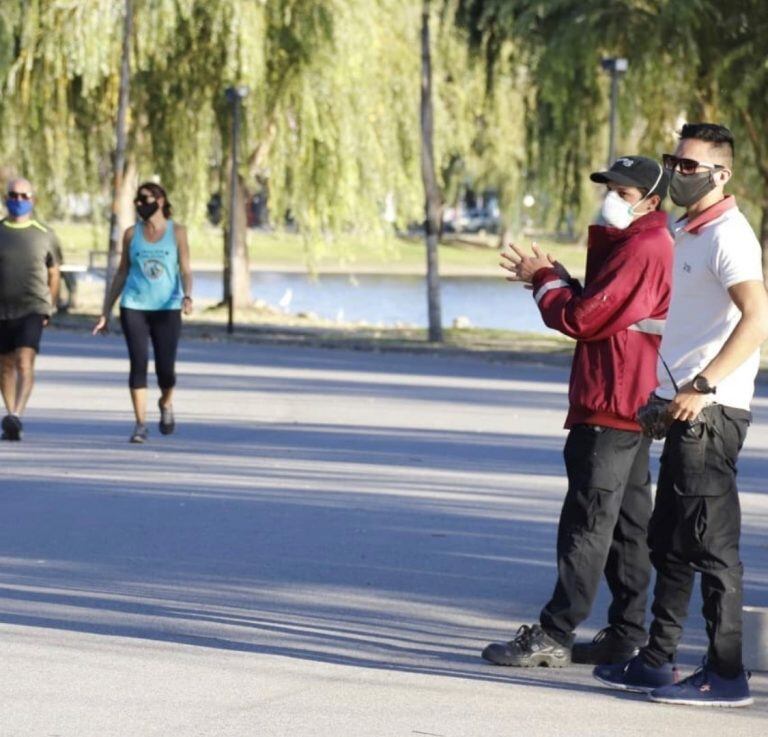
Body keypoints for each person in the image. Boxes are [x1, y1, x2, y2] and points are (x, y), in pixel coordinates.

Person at [593, 124, 768, 707]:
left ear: (722, 174)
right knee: (669, 540)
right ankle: (657, 661)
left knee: (712, 547)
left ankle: (726, 675)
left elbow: (756, 322)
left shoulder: (730, 237)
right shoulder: (684, 231)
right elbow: (684, 323)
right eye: (674, 162)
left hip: (712, 413)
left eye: (689, 166)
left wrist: (702, 385)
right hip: (678, 408)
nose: (677, 173)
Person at [482, 156, 673, 667]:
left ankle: (554, 633)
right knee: (628, 524)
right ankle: (627, 633)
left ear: (652, 201)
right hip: (629, 400)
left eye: (624, 192)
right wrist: (564, 280)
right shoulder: (640, 243)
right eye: (609, 187)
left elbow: (584, 319)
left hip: (611, 402)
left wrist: (545, 280)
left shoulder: (644, 246)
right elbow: (610, 310)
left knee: (587, 523)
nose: (612, 197)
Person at [93, 182, 193, 443]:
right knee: (138, 364)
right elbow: (123, 271)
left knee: (166, 371)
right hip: (134, 306)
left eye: (144, 199)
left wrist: (188, 295)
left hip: (167, 308)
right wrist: (106, 310)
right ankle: (140, 424)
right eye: (136, 200)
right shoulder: (131, 234)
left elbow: (185, 269)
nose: (139, 204)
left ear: (160, 200)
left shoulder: (177, 232)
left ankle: (166, 402)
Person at [0, 177, 61, 441]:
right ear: (5, 198)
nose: (18, 201)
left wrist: (51, 304)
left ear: (33, 200)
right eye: (14, 195)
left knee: (25, 362)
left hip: (33, 307)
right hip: (2, 309)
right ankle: (10, 412)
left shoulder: (44, 233)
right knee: (4, 366)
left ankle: (18, 415)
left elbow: (54, 272)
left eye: (24, 196)